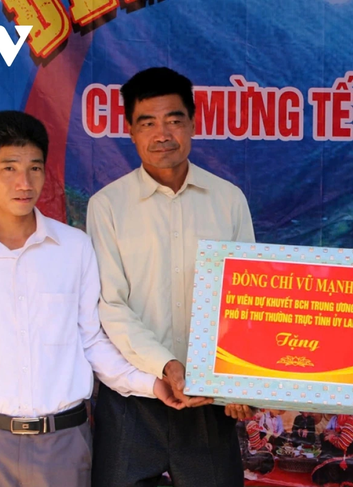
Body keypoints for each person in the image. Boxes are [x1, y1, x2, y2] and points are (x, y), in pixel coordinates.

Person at [0, 111, 180, 487]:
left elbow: (92, 342)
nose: (24, 183)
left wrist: (152, 383)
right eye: (9, 168)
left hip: (64, 443)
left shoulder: (74, 248)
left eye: (35, 168)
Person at [87, 67, 255, 487]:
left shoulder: (229, 201)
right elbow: (111, 305)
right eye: (147, 123)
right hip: (133, 397)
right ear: (130, 131)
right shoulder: (107, 206)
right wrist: (166, 365)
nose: (162, 134)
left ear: (193, 124)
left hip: (208, 400)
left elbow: (247, 301)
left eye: (174, 120)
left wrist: (240, 384)